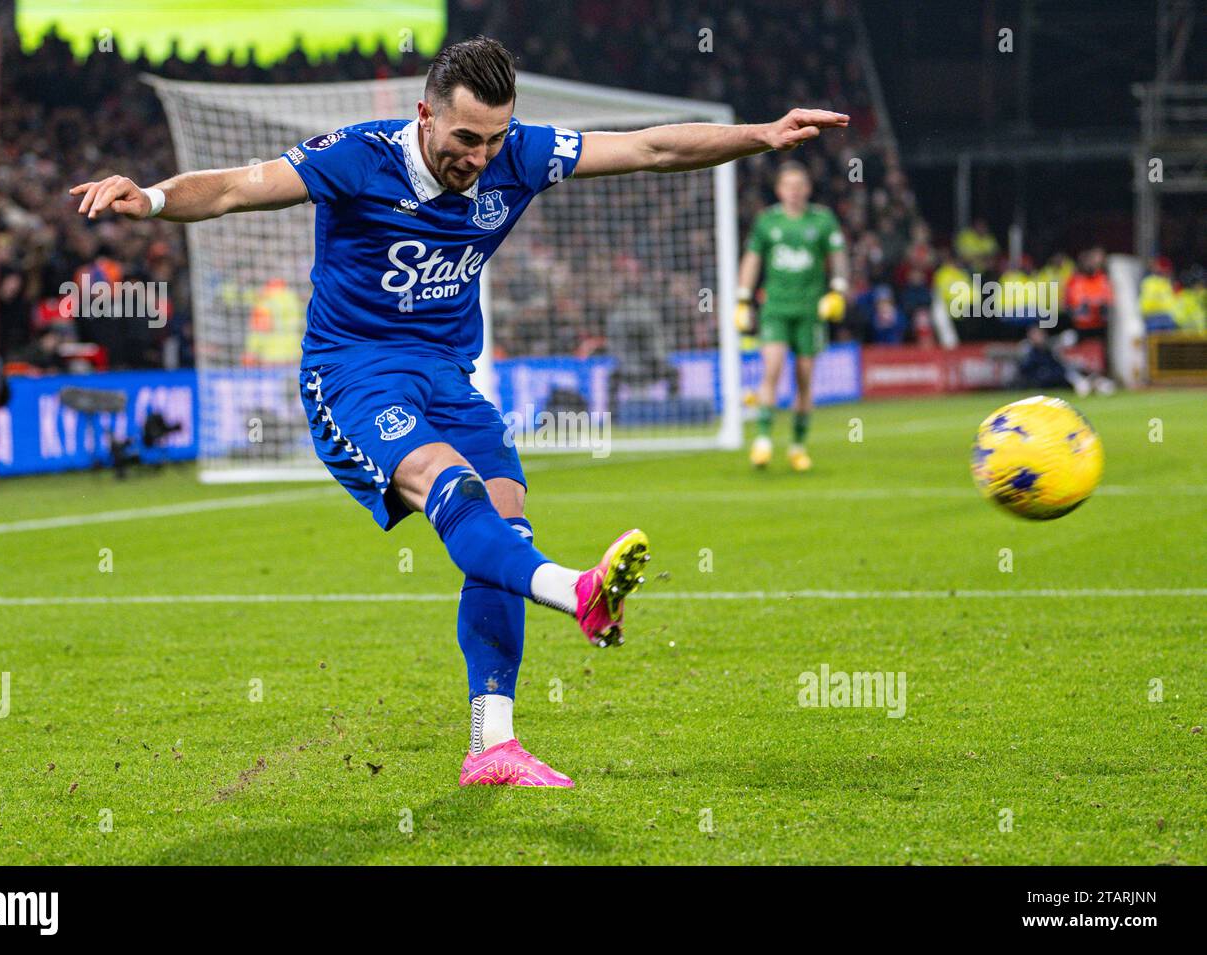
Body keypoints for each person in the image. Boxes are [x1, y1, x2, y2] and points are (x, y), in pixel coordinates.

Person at [70, 36, 849, 787]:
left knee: (505, 524)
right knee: (459, 494)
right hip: (355, 374)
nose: (478, 157)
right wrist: (155, 198)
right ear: (425, 114)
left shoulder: (521, 154)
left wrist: (761, 134)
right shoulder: (360, 157)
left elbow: (648, 148)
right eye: (466, 137)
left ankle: (494, 744)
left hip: (448, 376)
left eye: (493, 139)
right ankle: (576, 592)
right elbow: (240, 185)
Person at [735, 161, 848, 471]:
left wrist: (838, 290)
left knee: (804, 378)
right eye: (789, 186)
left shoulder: (822, 220)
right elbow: (752, 259)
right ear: (779, 190)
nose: (795, 192)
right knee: (771, 368)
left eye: (800, 186)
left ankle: (797, 446)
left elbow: (838, 257)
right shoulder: (767, 222)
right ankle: (762, 441)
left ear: (807, 189)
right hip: (776, 309)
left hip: (810, 312)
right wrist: (742, 299)